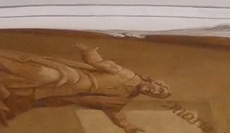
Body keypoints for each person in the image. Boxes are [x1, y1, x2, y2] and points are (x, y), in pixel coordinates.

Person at [0, 45, 172, 132]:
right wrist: (89, 51)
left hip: (60, 95)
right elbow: (98, 62)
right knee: (47, 74)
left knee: (18, 104)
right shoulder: (125, 74)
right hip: (74, 77)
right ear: (156, 82)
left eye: (157, 95)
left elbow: (116, 114)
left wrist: (126, 126)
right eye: (159, 89)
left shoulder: (120, 101)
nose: (154, 92)